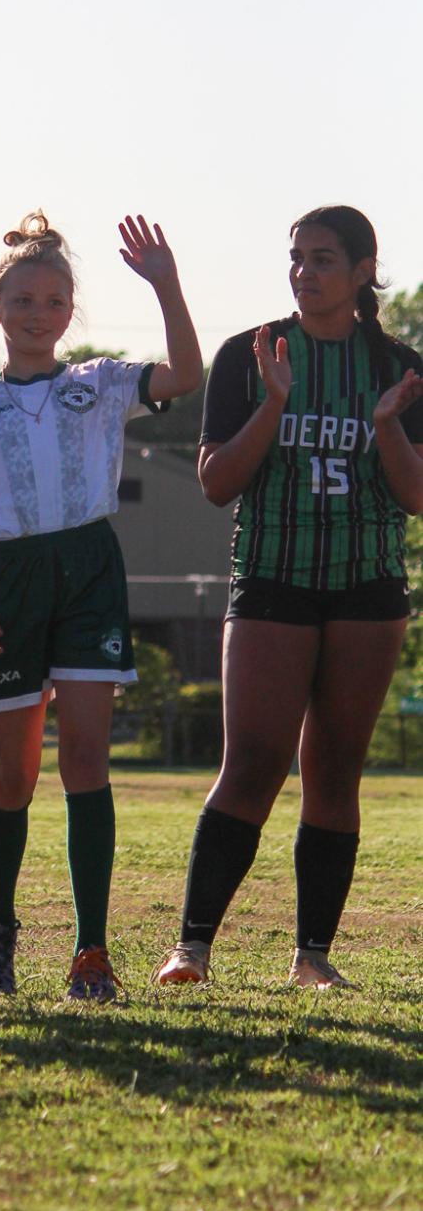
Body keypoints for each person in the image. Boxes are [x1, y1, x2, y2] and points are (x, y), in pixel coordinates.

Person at [156, 205, 423, 990]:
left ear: (365, 270)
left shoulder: (399, 367)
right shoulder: (251, 354)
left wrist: (387, 428)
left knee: (335, 771)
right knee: (255, 763)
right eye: (297, 258)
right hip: (274, 578)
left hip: (366, 587)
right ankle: (191, 949)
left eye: (324, 258)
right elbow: (213, 484)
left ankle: (312, 957)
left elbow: (416, 497)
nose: (305, 272)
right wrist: (274, 402)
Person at [0, 211, 201, 1002]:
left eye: (54, 299)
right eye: (22, 298)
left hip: (90, 571)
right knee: (12, 774)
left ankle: (92, 949)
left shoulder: (99, 382)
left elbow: (185, 373)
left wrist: (166, 283)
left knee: (86, 762)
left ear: (70, 311)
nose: (38, 312)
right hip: (11, 580)